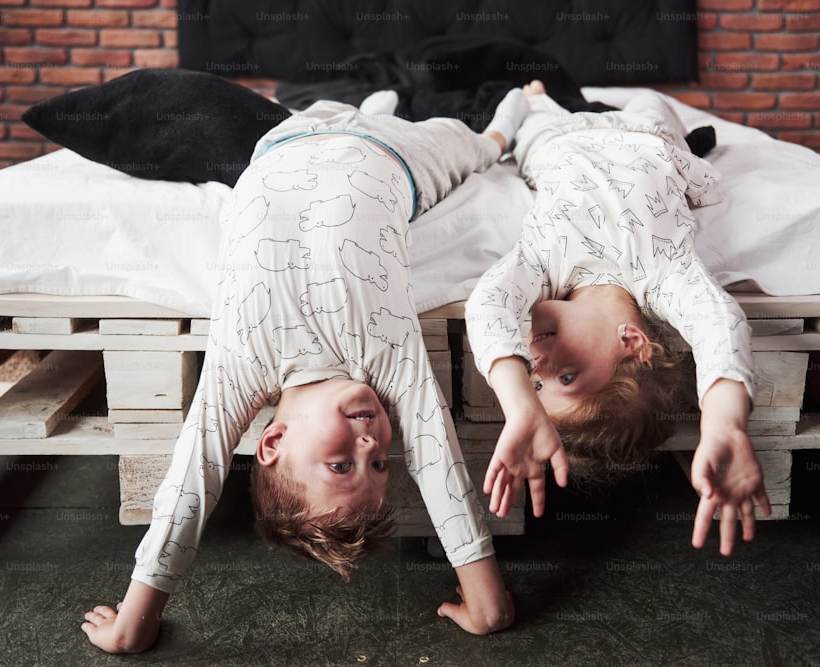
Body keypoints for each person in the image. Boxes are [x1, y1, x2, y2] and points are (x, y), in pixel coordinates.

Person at [82, 89, 532, 653]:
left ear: (271, 442)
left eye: (343, 462)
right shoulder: (385, 353)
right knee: (479, 147)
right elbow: (436, 455)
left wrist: (137, 617)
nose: (372, 440)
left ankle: (376, 103)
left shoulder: (243, 361)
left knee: (357, 109)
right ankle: (514, 109)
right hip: (396, 156)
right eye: (379, 463)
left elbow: (192, 480)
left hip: (287, 138)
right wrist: (487, 601)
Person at [464, 81, 771, 556]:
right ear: (633, 342)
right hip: (644, 136)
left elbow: (487, 304)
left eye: (537, 385)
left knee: (533, 103)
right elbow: (717, 322)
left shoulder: (540, 267)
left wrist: (518, 403)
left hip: (555, 138)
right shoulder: (664, 275)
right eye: (567, 374)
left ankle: (546, 93)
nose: (537, 366)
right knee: (651, 98)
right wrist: (725, 424)